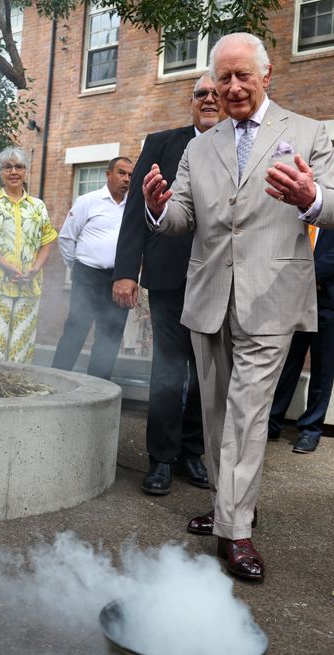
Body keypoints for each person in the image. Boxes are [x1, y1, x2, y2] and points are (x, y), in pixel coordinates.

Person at [143, 32, 334, 581]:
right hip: (210, 295)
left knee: (247, 414)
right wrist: (158, 210)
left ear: (267, 75)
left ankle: (235, 531)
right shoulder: (199, 145)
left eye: (242, 76)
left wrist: (311, 199)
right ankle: (228, 506)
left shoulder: (306, 133)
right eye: (222, 79)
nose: (232, 88)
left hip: (272, 297)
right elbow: (182, 217)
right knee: (214, 415)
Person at [113, 74, 223, 496]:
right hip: (168, 278)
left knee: (205, 373)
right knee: (168, 370)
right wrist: (126, 271)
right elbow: (135, 210)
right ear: (191, 102)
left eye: (215, 93)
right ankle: (160, 458)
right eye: (201, 94)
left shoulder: (240, 145)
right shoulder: (160, 143)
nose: (209, 98)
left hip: (218, 279)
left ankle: (191, 453)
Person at [269, 194, 334, 453]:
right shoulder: (293, 203)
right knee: (287, 362)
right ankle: (271, 422)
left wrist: (306, 274)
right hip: (293, 296)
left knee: (323, 367)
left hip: (332, 299)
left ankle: (310, 430)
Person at [0, 147, 57, 363]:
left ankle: (15, 391)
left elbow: (47, 243)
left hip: (28, 286)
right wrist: (7, 266)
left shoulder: (38, 207)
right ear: (0, 172)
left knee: (21, 345)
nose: (13, 171)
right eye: (7, 167)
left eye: (19, 166)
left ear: (26, 171)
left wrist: (35, 269)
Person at [51, 157, 134, 380]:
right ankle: (55, 382)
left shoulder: (134, 206)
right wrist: (77, 267)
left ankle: (98, 389)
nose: (126, 178)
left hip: (119, 280)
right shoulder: (88, 201)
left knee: (110, 335)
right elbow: (66, 238)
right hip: (88, 276)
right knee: (76, 330)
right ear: (108, 174)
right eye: (121, 172)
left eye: (129, 175)